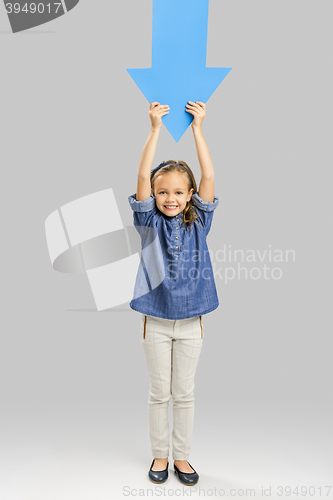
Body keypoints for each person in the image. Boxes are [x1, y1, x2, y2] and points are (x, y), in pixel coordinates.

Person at [128, 101, 220, 486]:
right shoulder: (148, 221)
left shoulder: (199, 220)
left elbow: (210, 175)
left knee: (184, 393)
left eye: (179, 192)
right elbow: (140, 174)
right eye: (162, 191)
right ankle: (160, 456)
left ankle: (182, 458)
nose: (170, 198)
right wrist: (153, 130)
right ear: (153, 193)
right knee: (159, 393)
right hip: (156, 321)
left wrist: (198, 129)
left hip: (192, 322)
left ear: (190, 195)